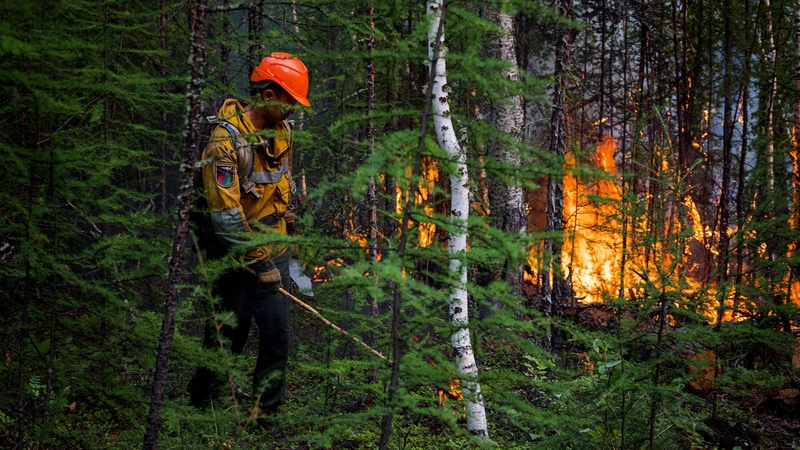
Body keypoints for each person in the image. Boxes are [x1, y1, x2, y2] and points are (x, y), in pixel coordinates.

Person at [187, 52, 311, 423]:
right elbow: (225, 217)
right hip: (236, 254)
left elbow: (282, 186)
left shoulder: (282, 132)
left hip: (273, 249)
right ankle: (199, 405)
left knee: (276, 336)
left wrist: (289, 239)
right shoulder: (224, 143)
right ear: (270, 95)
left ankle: (265, 417)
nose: (293, 109)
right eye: (290, 99)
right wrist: (259, 264)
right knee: (228, 336)